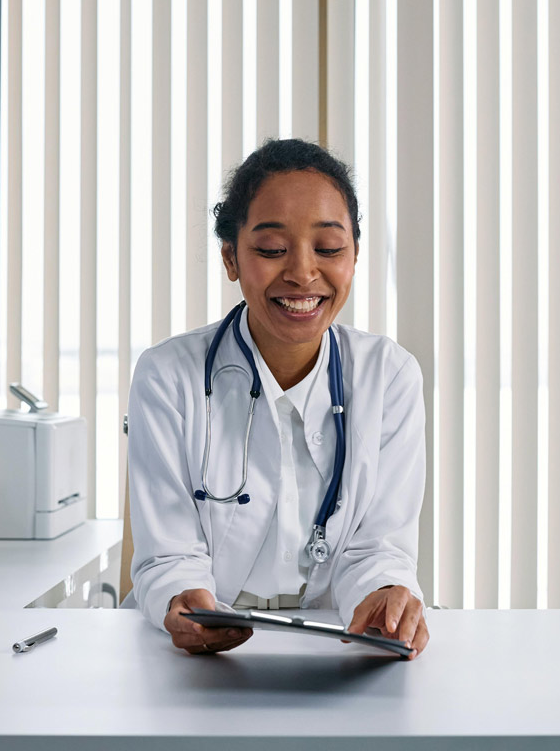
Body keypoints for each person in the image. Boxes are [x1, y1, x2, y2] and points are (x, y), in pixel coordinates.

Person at [126, 138, 430, 658]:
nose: (302, 272)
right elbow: (168, 554)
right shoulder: (167, 376)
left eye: (329, 249)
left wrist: (384, 596)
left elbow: (379, 547)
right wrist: (185, 601)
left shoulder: (389, 375)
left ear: (354, 257)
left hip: (338, 648)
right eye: (271, 250)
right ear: (231, 257)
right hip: (194, 660)